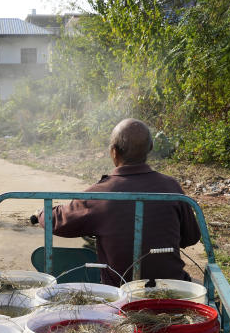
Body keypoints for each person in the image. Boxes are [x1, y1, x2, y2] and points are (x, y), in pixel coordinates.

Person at [36, 118, 200, 286]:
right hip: (175, 289)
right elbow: (191, 237)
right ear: (150, 148)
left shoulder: (98, 195)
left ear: (114, 152)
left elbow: (56, 220)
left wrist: (40, 213)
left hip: (121, 294)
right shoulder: (171, 186)